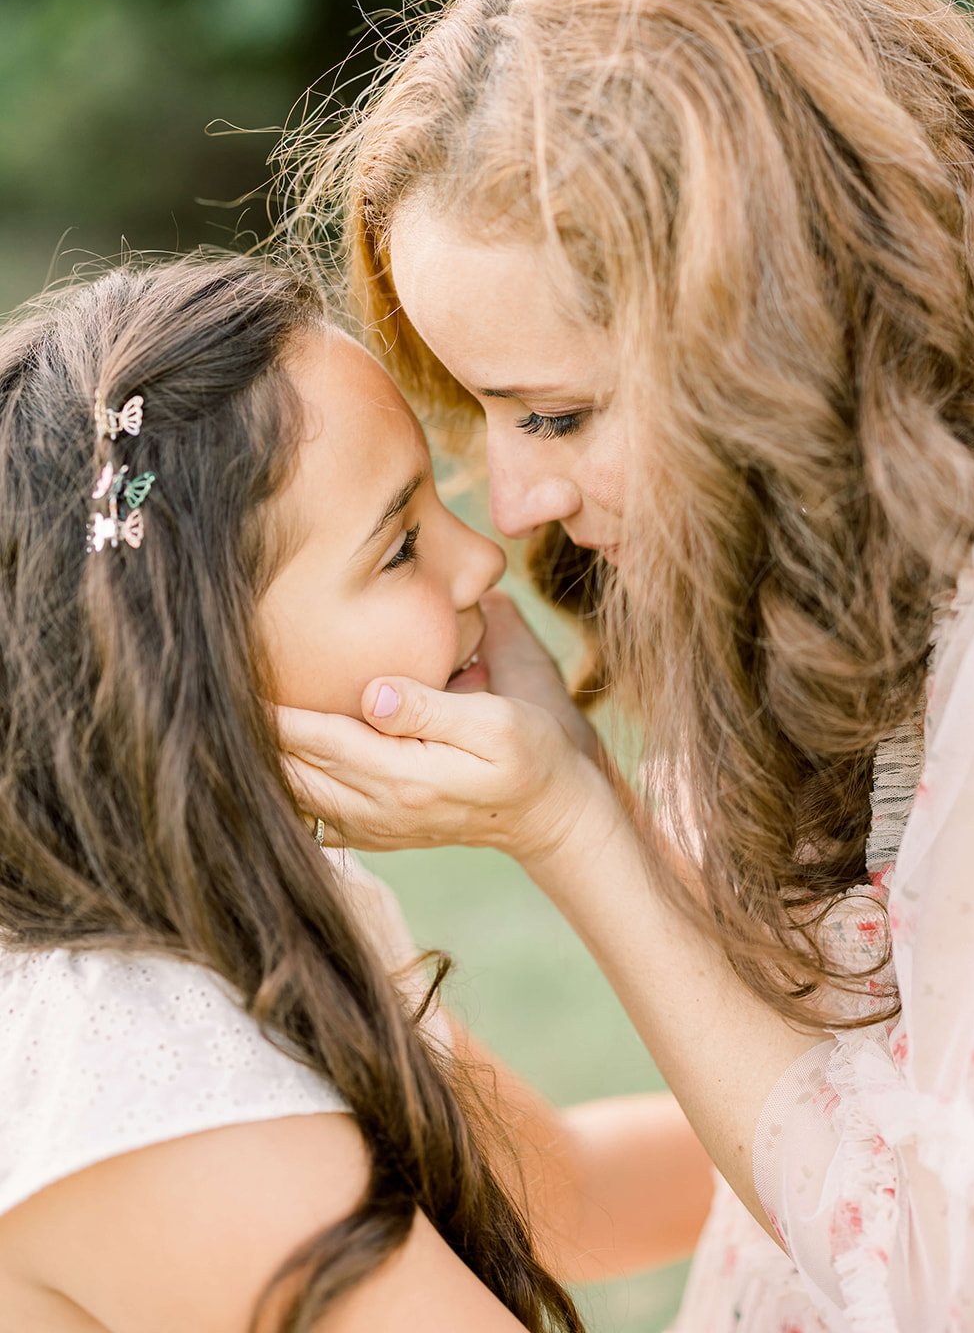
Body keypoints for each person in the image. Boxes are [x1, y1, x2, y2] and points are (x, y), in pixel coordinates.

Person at [280, 0, 974, 1329]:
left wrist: (574, 826)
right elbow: (817, 1118)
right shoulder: (802, 563)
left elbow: (973, 1295)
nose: (509, 509)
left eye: (556, 414)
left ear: (772, 323)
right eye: (484, 416)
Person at [0, 254, 714, 1333]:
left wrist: (934, 1158)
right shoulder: (146, 1072)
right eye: (400, 545)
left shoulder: (227, 916)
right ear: (191, 670)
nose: (483, 559)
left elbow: (565, 1195)